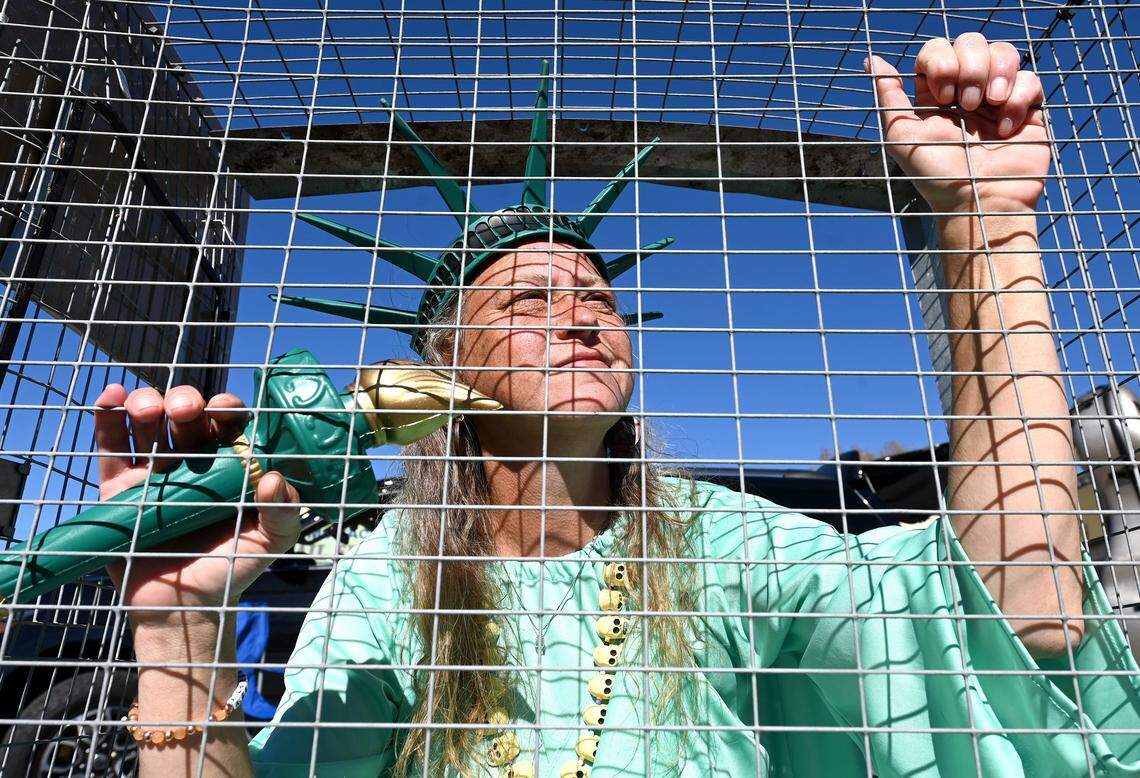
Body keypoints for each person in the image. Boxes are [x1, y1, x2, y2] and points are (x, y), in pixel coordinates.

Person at [94, 34, 1140, 777]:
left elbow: (1021, 619)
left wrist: (987, 225)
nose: (584, 320)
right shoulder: (386, 579)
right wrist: (178, 628)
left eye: (598, 299)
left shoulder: (730, 544)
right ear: (442, 367)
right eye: (529, 301)